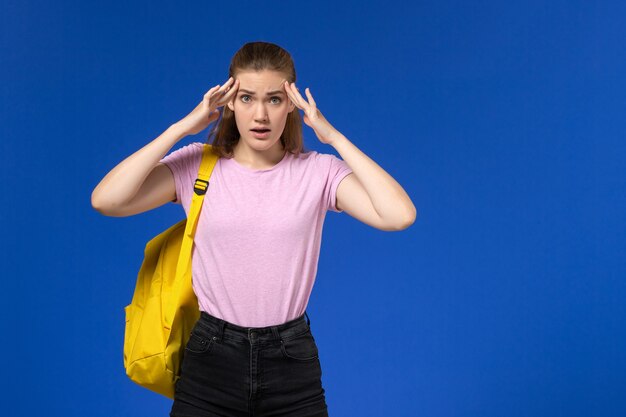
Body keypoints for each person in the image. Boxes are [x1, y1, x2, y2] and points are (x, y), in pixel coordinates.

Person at [91, 41, 416, 417]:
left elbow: (399, 215)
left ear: (291, 104)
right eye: (247, 98)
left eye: (274, 99)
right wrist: (181, 128)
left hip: (291, 360)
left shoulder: (318, 172)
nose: (260, 114)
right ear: (229, 100)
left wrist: (334, 138)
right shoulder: (198, 165)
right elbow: (107, 200)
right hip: (210, 357)